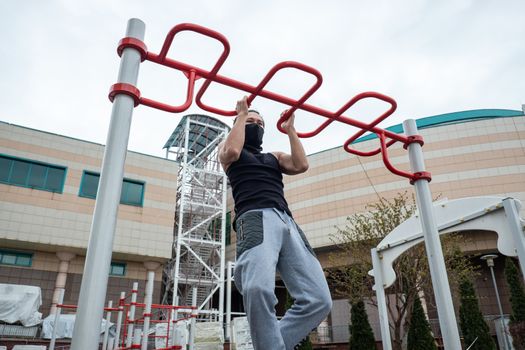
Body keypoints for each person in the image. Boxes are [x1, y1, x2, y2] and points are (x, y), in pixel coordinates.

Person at [218, 96, 332, 350]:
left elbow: (301, 164)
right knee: (258, 287)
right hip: (256, 218)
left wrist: (291, 130)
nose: (256, 125)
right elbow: (234, 150)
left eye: (260, 123)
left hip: (287, 222)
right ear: (238, 124)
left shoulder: (274, 156)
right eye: (251, 121)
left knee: (320, 300)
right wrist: (241, 115)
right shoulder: (228, 155)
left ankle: (272, 346)